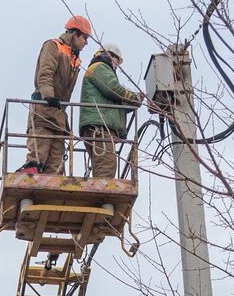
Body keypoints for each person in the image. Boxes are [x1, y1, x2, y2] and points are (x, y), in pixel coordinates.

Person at [16, 15, 94, 176]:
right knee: (37, 159)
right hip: (44, 110)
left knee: (56, 168)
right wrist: (48, 97)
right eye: (85, 37)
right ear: (75, 34)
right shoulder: (53, 46)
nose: (86, 42)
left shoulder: (74, 59)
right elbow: (45, 74)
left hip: (58, 116)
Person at [79, 43, 145, 179]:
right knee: (106, 167)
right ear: (110, 56)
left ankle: (100, 191)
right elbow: (113, 89)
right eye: (117, 62)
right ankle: (102, 193)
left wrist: (132, 104)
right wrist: (134, 97)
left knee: (103, 166)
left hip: (99, 126)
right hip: (100, 127)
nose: (117, 66)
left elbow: (115, 106)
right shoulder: (100, 67)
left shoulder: (100, 69)